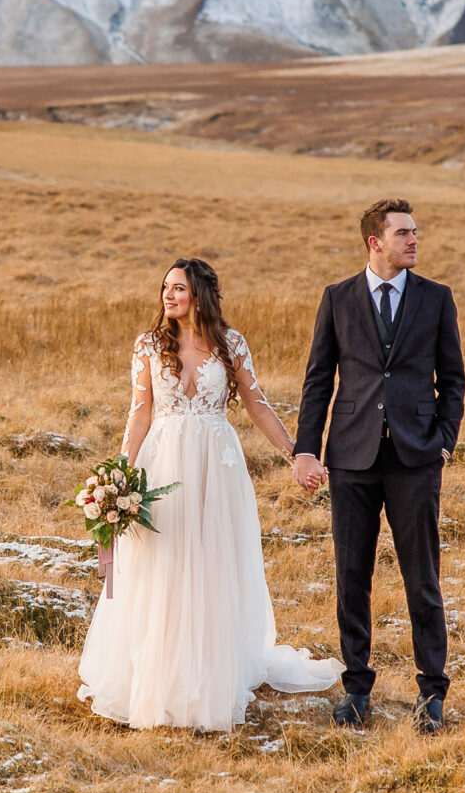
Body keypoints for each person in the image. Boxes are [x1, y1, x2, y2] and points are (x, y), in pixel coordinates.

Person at [75, 258, 344, 731]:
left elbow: (257, 405)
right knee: (165, 563)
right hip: (162, 466)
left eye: (178, 287)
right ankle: (158, 678)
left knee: (212, 563)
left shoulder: (230, 343)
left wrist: (296, 455)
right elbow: (139, 413)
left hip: (217, 469)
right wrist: (119, 471)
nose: (168, 295)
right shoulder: (149, 345)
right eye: (164, 288)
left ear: (199, 294)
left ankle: (208, 676)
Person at [293, 200, 465, 733]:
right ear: (375, 241)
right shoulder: (338, 298)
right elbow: (319, 379)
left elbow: (453, 380)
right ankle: (356, 688)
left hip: (416, 457)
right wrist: (306, 449)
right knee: (352, 576)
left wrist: (444, 443)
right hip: (352, 456)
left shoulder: (436, 299)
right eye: (404, 233)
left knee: (423, 578)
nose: (414, 241)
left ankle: (431, 694)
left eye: (415, 233)